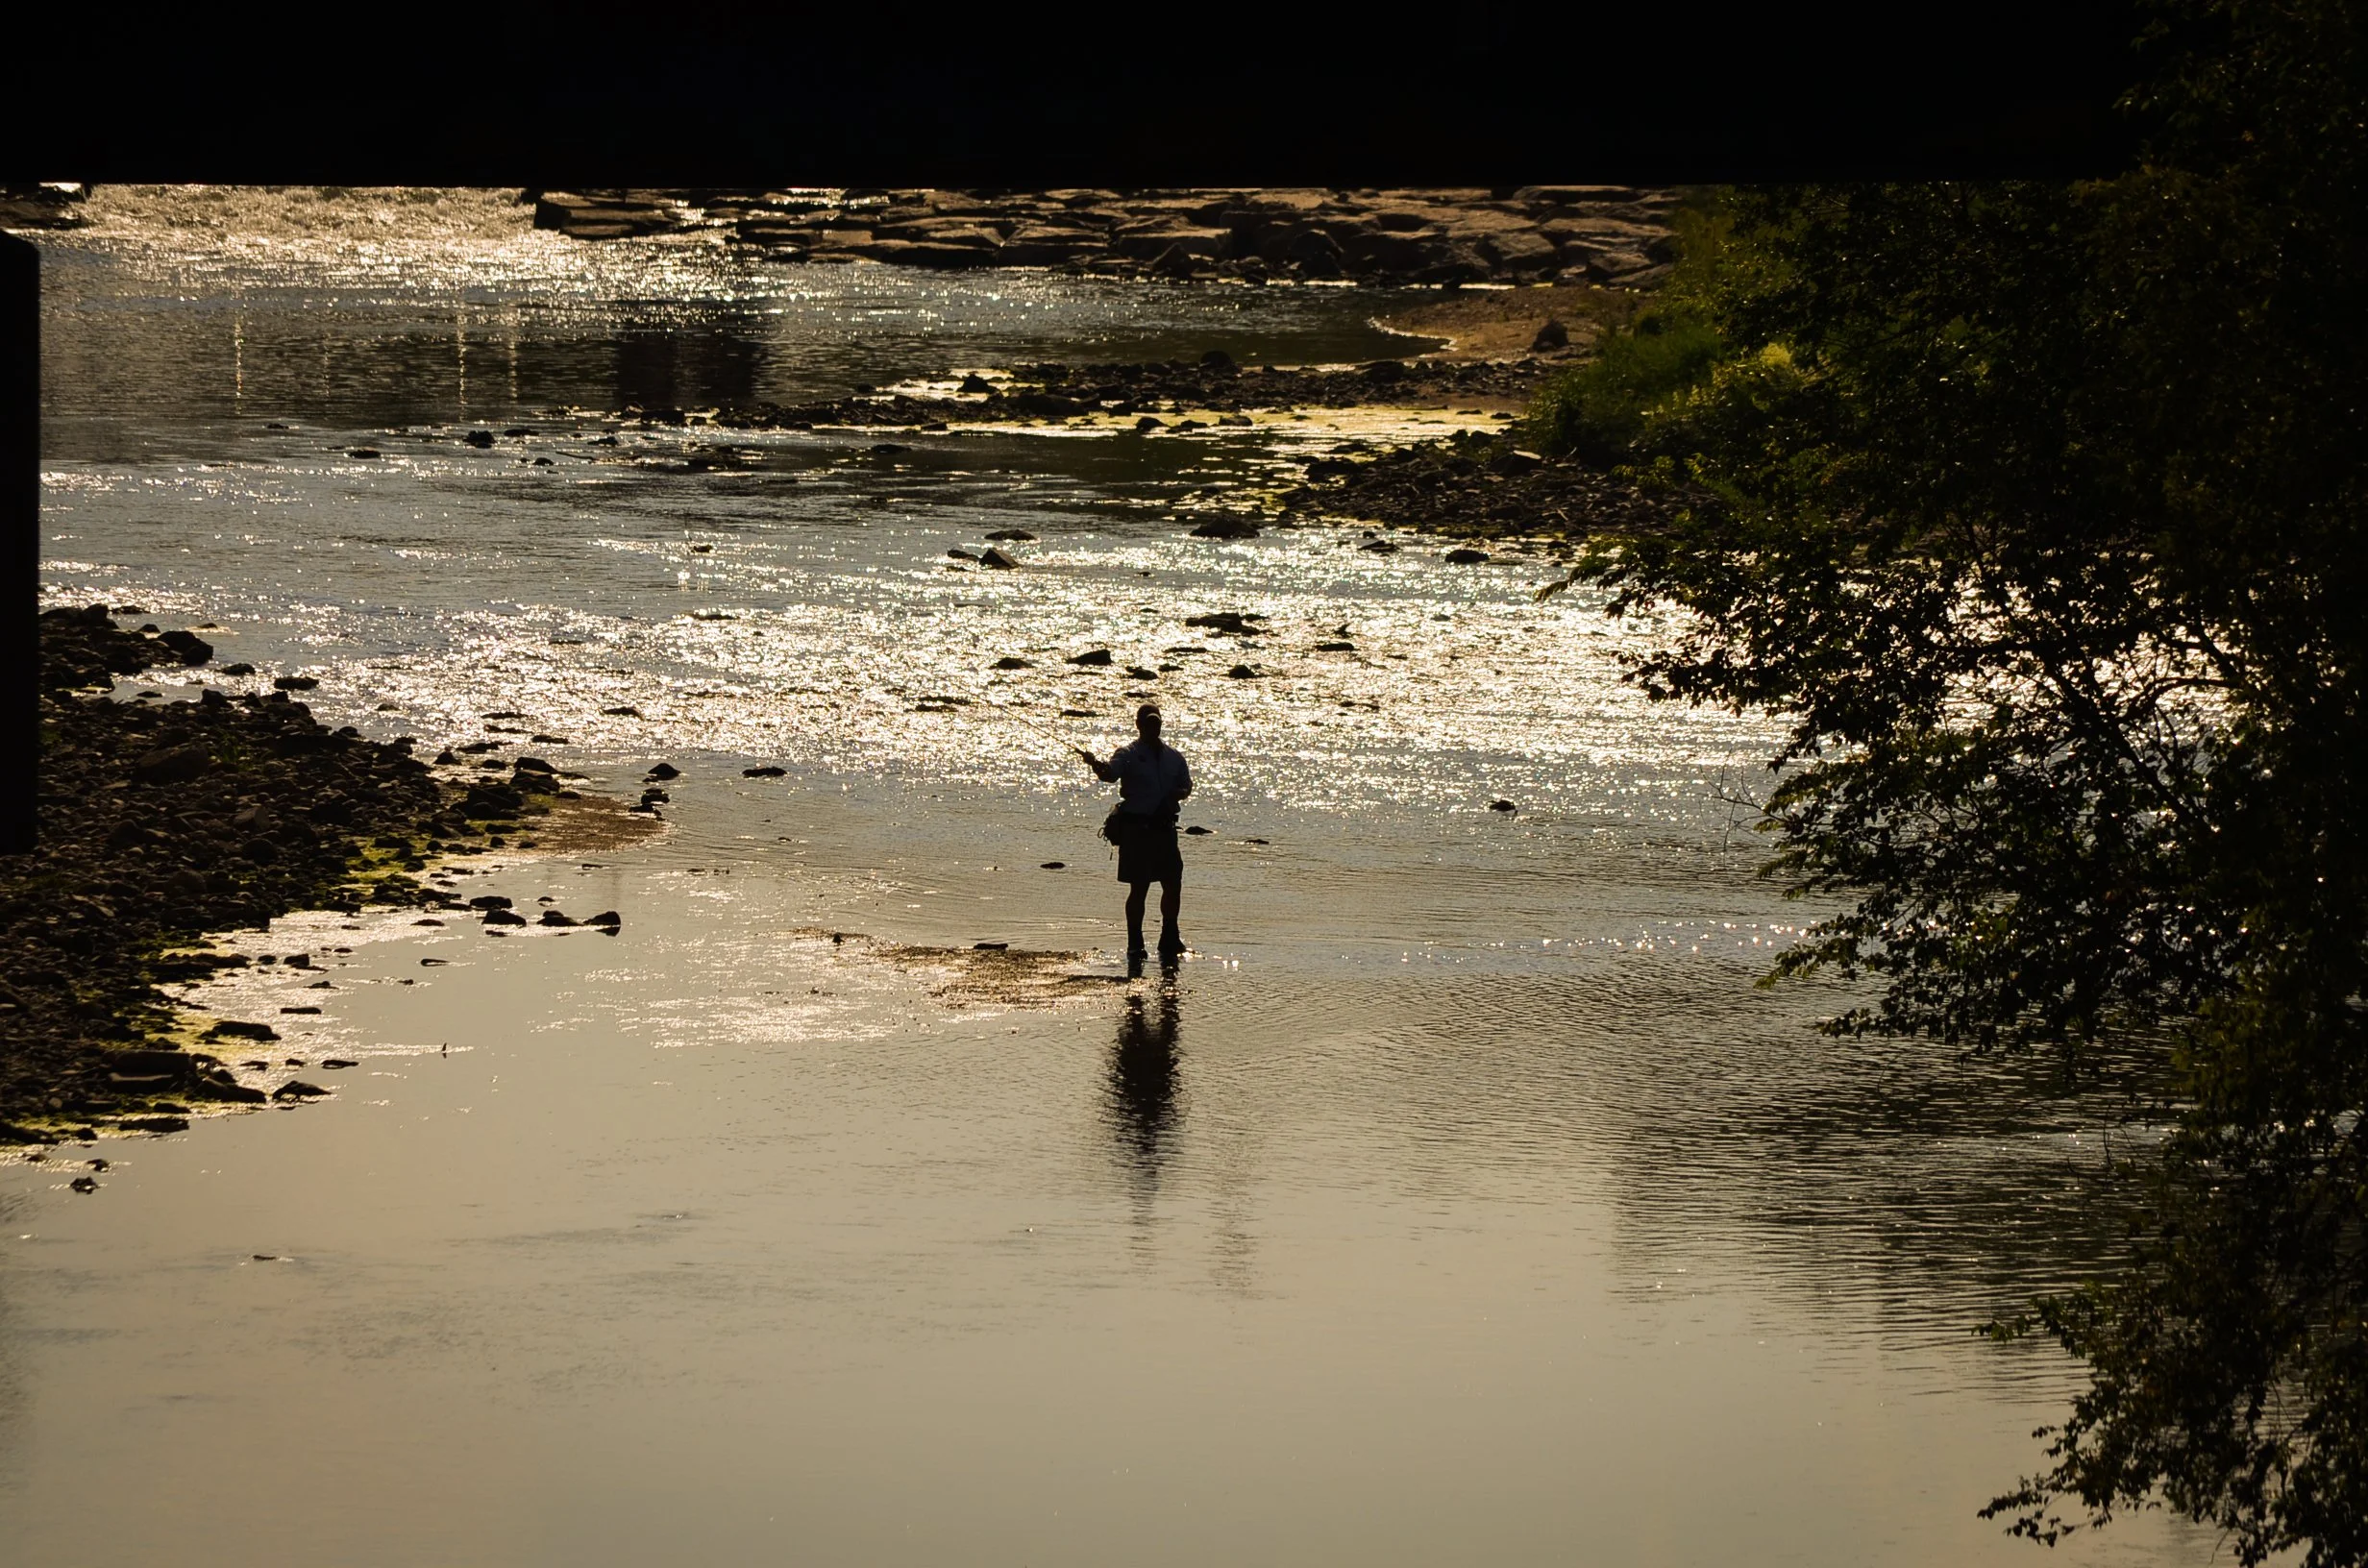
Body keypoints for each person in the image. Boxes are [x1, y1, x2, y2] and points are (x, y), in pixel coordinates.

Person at [1077, 704, 1192, 962]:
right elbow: (1109, 775)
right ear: (1138, 725)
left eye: (1157, 723)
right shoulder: (1127, 753)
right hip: (1137, 830)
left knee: (1173, 884)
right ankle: (1135, 943)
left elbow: (1187, 785)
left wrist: (1180, 793)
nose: (1153, 727)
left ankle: (1169, 937)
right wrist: (1095, 764)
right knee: (1139, 889)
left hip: (1165, 829)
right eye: (1148, 723)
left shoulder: (1175, 757)